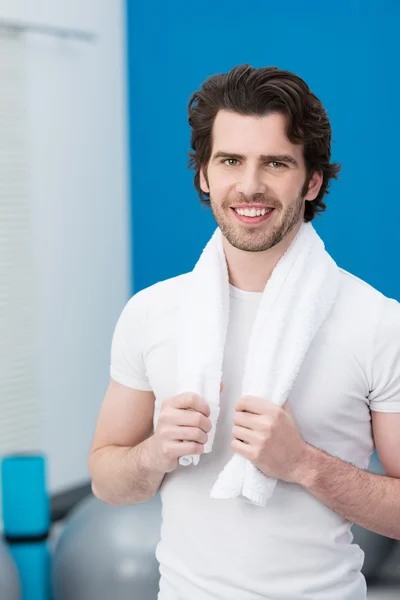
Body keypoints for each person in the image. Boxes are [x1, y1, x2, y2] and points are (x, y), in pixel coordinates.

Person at [88, 65, 400, 600]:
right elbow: (106, 480)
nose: (249, 186)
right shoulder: (151, 312)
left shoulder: (377, 322)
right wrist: (155, 453)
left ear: (313, 180)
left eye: (275, 163)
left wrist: (302, 464)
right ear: (205, 175)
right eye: (231, 161)